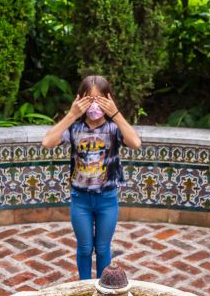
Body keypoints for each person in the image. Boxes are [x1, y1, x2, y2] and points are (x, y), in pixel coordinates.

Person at [41, 75, 142, 279]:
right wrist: (71, 114)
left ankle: (103, 288)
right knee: (85, 248)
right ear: (79, 100)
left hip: (107, 199)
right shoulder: (75, 128)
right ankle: (84, 288)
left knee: (103, 248)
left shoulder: (114, 129)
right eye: (89, 99)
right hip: (81, 200)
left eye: (99, 99)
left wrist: (115, 114)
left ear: (108, 99)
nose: (94, 105)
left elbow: (135, 143)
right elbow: (47, 142)